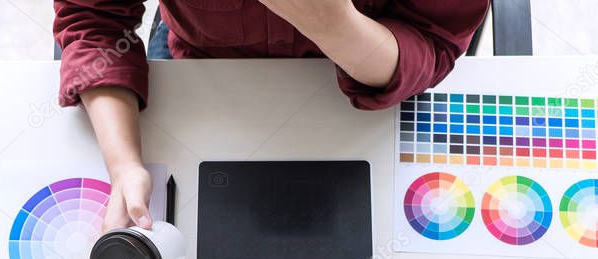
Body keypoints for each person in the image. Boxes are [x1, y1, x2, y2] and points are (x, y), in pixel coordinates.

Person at [54, 0, 490, 230]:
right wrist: (125, 164)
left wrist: (334, 23)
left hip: (365, 103)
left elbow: (432, 41)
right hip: (204, 82)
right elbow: (93, 19)